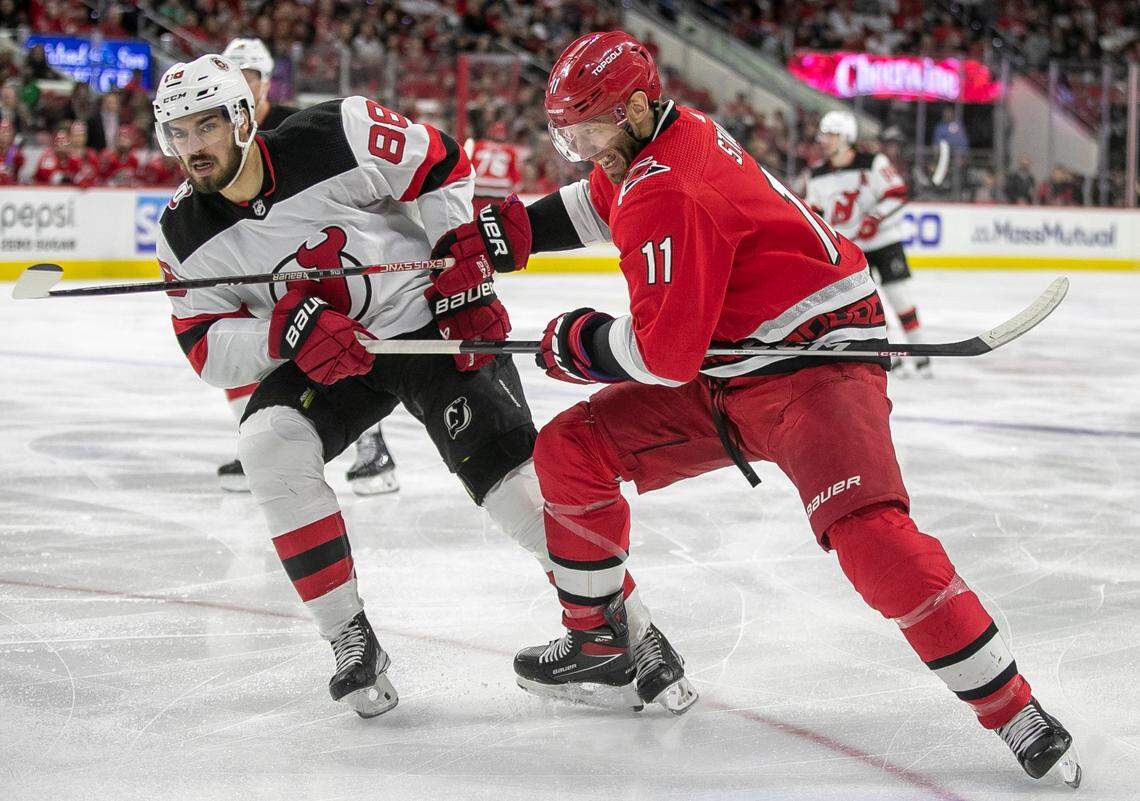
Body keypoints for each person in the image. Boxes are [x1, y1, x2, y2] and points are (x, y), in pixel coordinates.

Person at [430, 31, 1081, 785]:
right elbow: (594, 200)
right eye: (568, 136)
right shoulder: (659, 136)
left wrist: (576, 339)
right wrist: (507, 233)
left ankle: (1013, 705)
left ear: (637, 107)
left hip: (813, 367)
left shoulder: (666, 186)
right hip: (736, 361)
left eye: (591, 132)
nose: (583, 151)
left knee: (867, 534)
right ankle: (599, 643)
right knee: (571, 451)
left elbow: (663, 353)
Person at [150, 54, 684, 718]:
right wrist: (282, 336)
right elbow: (206, 348)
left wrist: (458, 265)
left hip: (427, 319)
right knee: (267, 443)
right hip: (334, 356)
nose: (191, 147)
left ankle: (639, 635)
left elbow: (441, 164)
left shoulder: (336, 130)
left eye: (204, 126)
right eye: (177, 133)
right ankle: (349, 637)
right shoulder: (181, 232)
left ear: (239, 120)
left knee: (514, 488)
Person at [217, 36, 398, 495]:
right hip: (255, 261)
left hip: (308, 256)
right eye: (233, 75)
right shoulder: (218, 136)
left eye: (249, 75)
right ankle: (256, 441)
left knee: (341, 343)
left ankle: (372, 449)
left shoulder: (290, 125)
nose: (241, 83)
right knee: (251, 346)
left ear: (264, 82)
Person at [805, 110, 931, 376]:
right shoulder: (816, 175)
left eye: (832, 134)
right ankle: (887, 354)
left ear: (847, 137)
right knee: (867, 305)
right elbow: (815, 213)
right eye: (824, 134)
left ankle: (920, 355)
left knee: (898, 296)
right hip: (852, 248)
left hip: (884, 241)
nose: (825, 140)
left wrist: (875, 217)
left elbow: (896, 194)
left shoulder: (873, 162)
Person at [465, 119, 521, 212]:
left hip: (478, 188)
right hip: (500, 190)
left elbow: (470, 165)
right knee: (496, 219)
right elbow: (514, 172)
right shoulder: (510, 150)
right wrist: (516, 184)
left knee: (476, 218)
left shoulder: (478, 146)